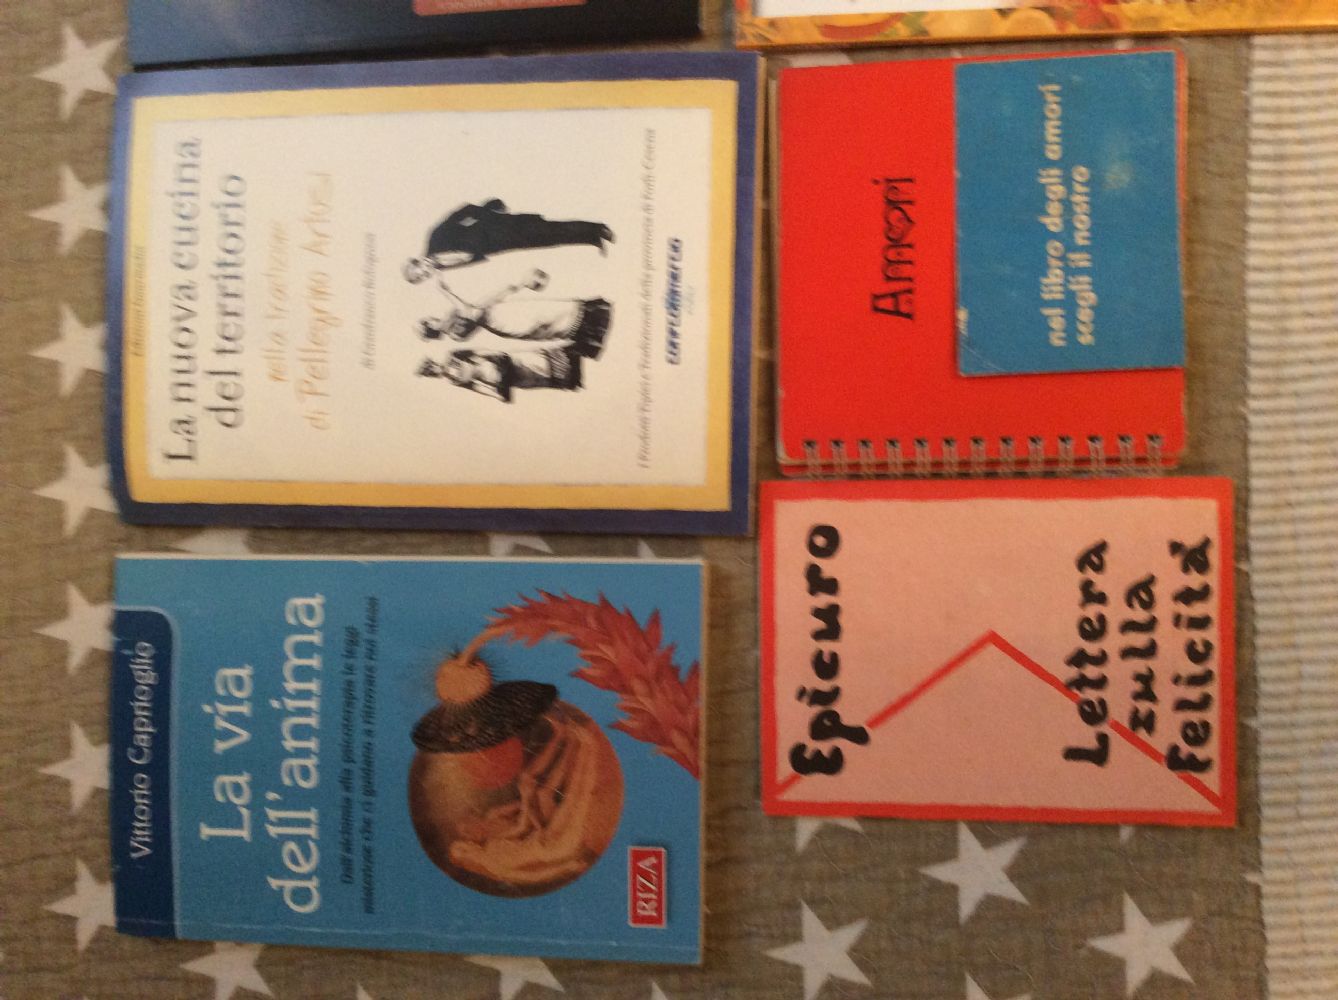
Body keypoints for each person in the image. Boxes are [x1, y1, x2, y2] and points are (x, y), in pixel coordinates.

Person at [414, 269, 611, 360]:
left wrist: (515, 287)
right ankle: (594, 328)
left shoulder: (451, 320)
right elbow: (473, 311)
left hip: (501, 313)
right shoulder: (455, 333)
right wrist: (444, 290)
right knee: (550, 319)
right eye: (427, 321)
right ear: (430, 327)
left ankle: (594, 325)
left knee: (553, 313)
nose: (431, 318)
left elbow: (478, 306)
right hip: (504, 320)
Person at [410, 199, 614, 272]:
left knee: (550, 230)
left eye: (419, 272)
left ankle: (599, 228)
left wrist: (490, 213)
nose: (425, 273)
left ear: (417, 261)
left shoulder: (435, 238)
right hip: (503, 244)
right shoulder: (441, 266)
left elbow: (463, 211)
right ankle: (592, 238)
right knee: (550, 240)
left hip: (501, 227)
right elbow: (472, 258)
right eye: (422, 278)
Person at [418, 345, 584, 403]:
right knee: (537, 379)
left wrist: (496, 354)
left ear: (433, 362)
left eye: (431, 367)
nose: (434, 371)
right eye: (430, 373)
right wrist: (496, 395)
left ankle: (572, 358)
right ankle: (571, 379)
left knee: (537, 364)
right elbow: (475, 386)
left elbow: (478, 351)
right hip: (498, 379)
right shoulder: (454, 380)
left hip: (502, 364)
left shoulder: (453, 356)